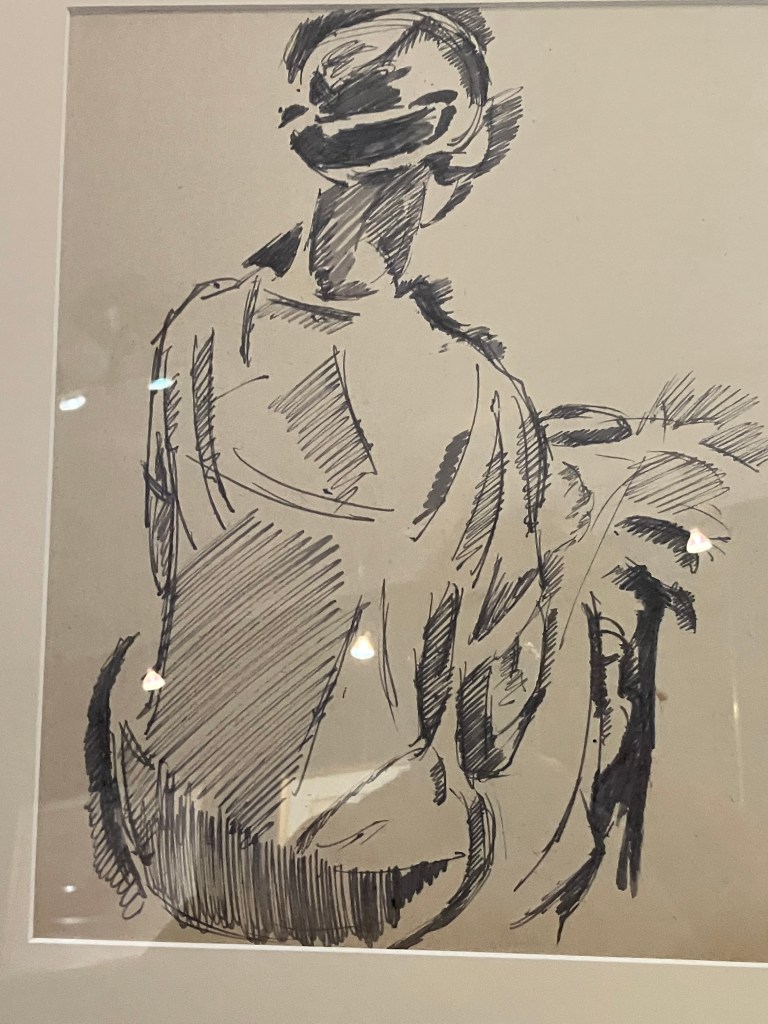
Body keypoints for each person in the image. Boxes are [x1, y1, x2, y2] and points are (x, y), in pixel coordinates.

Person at [85, 7, 764, 948]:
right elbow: (491, 721)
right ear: (452, 166)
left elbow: (175, 569)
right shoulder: (481, 398)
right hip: (364, 878)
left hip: (171, 827)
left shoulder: (196, 328)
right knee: (591, 660)